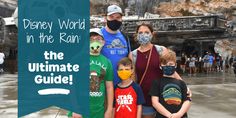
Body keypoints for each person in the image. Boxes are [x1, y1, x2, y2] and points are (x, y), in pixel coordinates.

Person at [129, 23, 185, 118]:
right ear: (136, 35)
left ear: (152, 34)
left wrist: (184, 86)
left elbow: (171, 70)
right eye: (140, 33)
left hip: (165, 95)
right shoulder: (133, 55)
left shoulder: (161, 50)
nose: (143, 35)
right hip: (145, 97)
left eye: (147, 32)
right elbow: (133, 78)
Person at [68, 28, 114, 118]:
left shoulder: (107, 62)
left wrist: (109, 109)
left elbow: (109, 87)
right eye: (91, 39)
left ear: (103, 42)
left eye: (97, 39)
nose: (94, 41)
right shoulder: (77, 60)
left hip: (98, 111)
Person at [149, 49, 191, 118]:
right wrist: (169, 115)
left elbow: (187, 101)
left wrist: (179, 114)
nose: (168, 66)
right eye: (165, 64)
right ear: (160, 66)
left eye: (170, 64)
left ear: (175, 65)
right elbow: (155, 103)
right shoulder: (156, 83)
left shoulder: (181, 83)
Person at [101, 4, 130, 86]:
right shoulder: (98, 35)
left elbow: (130, 61)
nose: (115, 20)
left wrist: (132, 85)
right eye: (111, 17)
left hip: (122, 85)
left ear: (121, 19)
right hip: (102, 85)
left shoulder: (125, 36)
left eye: (118, 17)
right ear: (105, 18)